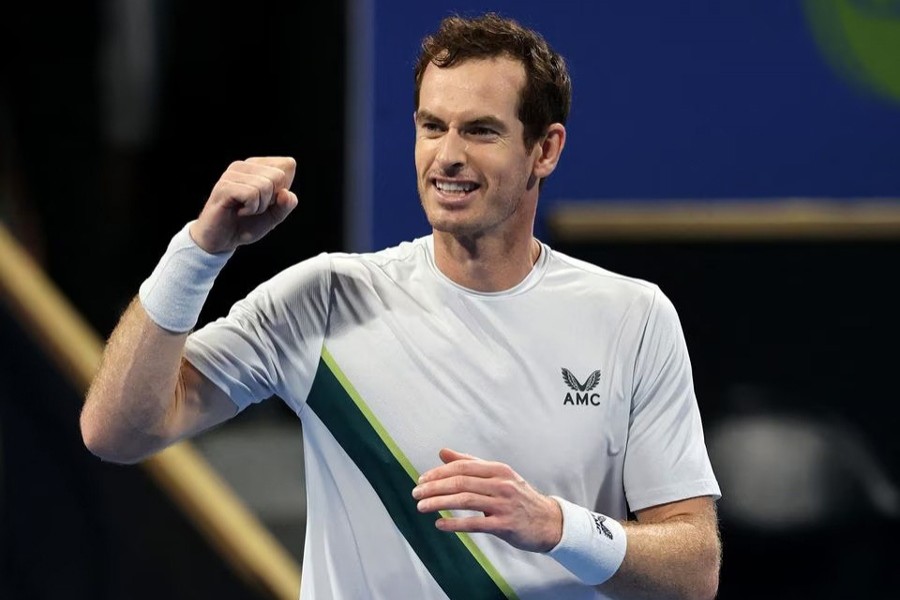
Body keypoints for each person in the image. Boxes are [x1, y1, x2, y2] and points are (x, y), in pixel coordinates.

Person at [81, 12, 721, 600]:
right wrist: (199, 250)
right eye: (431, 126)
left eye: (481, 131)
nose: (448, 156)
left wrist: (557, 526)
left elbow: (694, 568)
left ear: (545, 149)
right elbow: (115, 430)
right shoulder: (325, 298)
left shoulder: (633, 316)